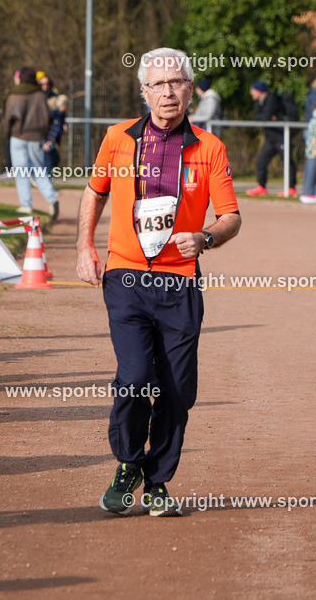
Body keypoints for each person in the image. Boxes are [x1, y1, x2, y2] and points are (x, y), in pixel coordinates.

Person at [76, 47, 241, 516]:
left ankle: (158, 481)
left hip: (179, 282)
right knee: (133, 379)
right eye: (158, 84)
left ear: (190, 89)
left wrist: (205, 238)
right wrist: (84, 246)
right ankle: (128, 462)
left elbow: (231, 217)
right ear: (144, 91)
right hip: (126, 276)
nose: (168, 92)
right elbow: (94, 191)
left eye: (177, 83)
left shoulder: (210, 148)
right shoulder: (117, 138)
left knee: (177, 390)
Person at [4, 66, 59, 218]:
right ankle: (51, 198)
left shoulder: (14, 94)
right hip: (36, 137)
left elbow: (8, 118)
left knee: (21, 171)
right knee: (39, 170)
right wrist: (43, 134)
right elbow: (47, 117)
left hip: (18, 136)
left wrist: (8, 135)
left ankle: (26, 205)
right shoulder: (40, 95)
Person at [247, 80, 295, 197]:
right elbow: (256, 117)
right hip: (270, 139)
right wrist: (266, 117)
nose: (251, 93)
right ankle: (262, 187)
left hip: (281, 136)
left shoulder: (271, 98)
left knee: (287, 161)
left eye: (253, 90)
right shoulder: (260, 102)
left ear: (259, 90)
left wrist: (267, 117)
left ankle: (291, 188)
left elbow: (265, 117)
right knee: (261, 161)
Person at [44, 94, 69, 173]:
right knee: (49, 162)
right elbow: (48, 128)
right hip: (47, 141)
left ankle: (43, 176)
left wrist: (63, 130)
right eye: (66, 105)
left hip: (52, 142)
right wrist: (46, 141)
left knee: (55, 160)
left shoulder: (62, 115)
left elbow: (58, 129)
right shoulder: (53, 114)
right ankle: (42, 177)